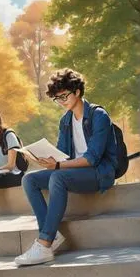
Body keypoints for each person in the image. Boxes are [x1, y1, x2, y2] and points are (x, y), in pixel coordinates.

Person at [15, 68, 117, 266]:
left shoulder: (99, 116)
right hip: (74, 172)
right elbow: (61, 154)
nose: (61, 101)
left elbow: (93, 158)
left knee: (57, 177)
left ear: (77, 92)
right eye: (57, 98)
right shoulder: (65, 121)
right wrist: (45, 159)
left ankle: (44, 243)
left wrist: (58, 165)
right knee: (29, 179)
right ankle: (52, 236)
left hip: (99, 173)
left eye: (64, 96)